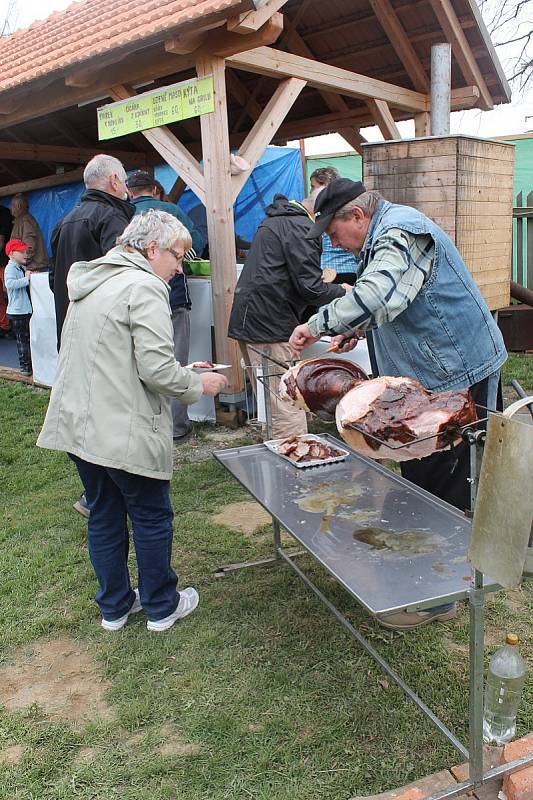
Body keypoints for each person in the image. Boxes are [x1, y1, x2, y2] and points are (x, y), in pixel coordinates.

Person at [289, 179, 507, 630]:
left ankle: (436, 594)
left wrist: (318, 324)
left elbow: (376, 293)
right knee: (423, 474)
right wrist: (361, 329)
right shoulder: (386, 234)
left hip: (460, 370)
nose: (334, 244)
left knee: (447, 477)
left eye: (333, 234)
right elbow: (398, 301)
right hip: (432, 373)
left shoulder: (400, 230)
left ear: (357, 217)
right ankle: (422, 574)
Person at [37, 210, 228, 632]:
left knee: (104, 513)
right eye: (177, 255)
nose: (180, 266)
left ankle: (115, 607)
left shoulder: (95, 279)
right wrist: (200, 384)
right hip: (119, 426)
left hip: (81, 424)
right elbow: (157, 371)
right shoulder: (144, 285)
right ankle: (161, 606)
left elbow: (118, 355)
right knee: (150, 515)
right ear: (151, 248)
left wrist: (184, 368)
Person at [228, 192, 348, 439]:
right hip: (269, 323)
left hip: (252, 318)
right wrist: (344, 291)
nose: (330, 235)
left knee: (270, 400)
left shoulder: (279, 218)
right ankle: (294, 463)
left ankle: (275, 454)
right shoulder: (301, 227)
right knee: (286, 400)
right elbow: (311, 288)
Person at [127, 170, 207, 444]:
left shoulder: (122, 214)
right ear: (155, 189)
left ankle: (148, 428)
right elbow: (195, 244)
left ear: (129, 191)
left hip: (131, 299)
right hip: (173, 298)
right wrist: (179, 261)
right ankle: (176, 427)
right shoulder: (171, 211)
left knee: (138, 362)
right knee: (174, 360)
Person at [50, 153, 135, 347]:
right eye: (125, 182)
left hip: (69, 327)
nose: (127, 189)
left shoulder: (63, 223)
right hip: (102, 333)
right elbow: (123, 275)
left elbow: (53, 279)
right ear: (114, 181)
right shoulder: (112, 218)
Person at [310, 167, 361, 285]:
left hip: (328, 274)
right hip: (352, 270)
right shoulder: (347, 209)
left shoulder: (322, 214)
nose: (310, 191)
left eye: (313, 186)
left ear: (323, 185)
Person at [4, 239, 33, 376]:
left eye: (26, 251)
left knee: (28, 338)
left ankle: (30, 363)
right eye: (21, 252)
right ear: (11, 254)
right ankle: (25, 366)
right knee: (22, 340)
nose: (25, 254)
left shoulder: (22, 268)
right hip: (17, 312)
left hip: (25, 310)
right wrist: (26, 279)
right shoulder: (10, 268)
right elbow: (9, 284)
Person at [10, 194, 49, 273]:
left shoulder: (25, 221)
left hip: (33, 269)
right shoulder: (21, 220)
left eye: (12, 205)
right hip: (30, 268)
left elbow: (29, 246)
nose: (10, 208)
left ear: (18, 206)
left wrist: (23, 264)